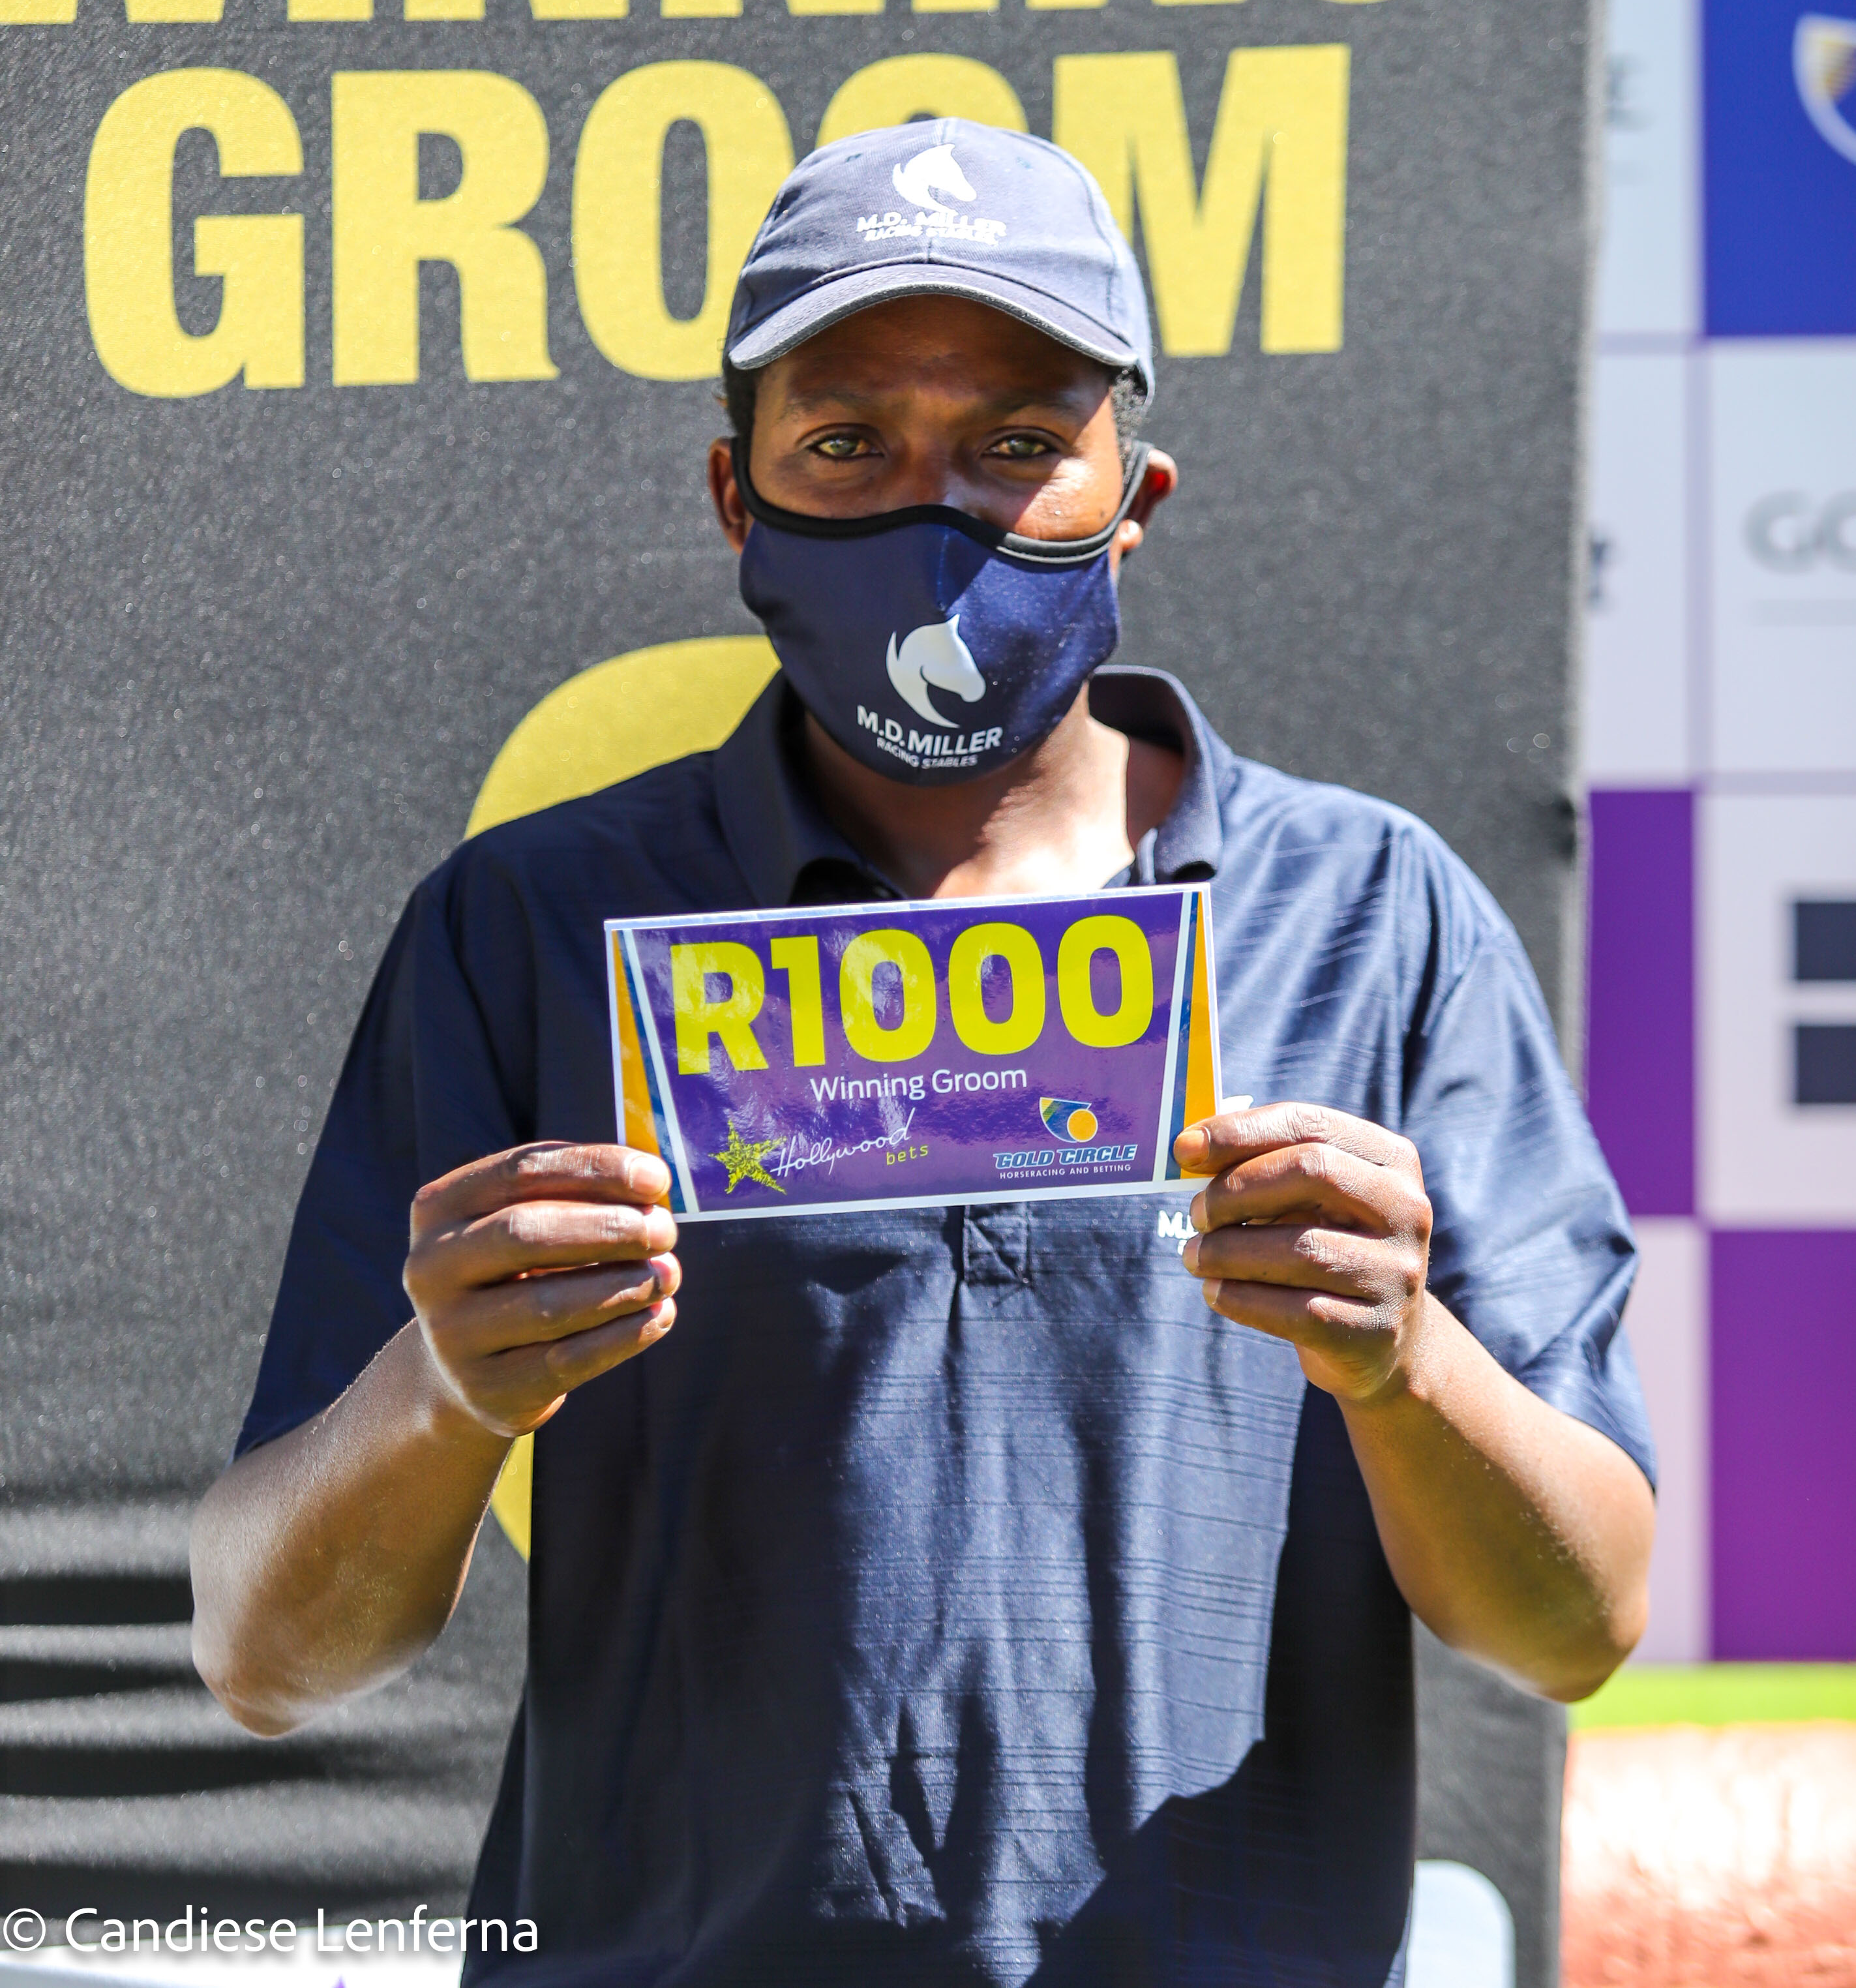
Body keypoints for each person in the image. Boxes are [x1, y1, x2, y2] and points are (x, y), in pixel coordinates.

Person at [192, 120, 1654, 1987]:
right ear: (735, 494)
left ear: (1137, 494)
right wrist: (443, 1392)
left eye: (1022, 443)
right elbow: (266, 1656)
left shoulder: (1376, 916)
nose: (936, 508)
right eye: (847, 443)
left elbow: (1578, 1624)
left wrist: (1404, 1359)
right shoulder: (533, 926)